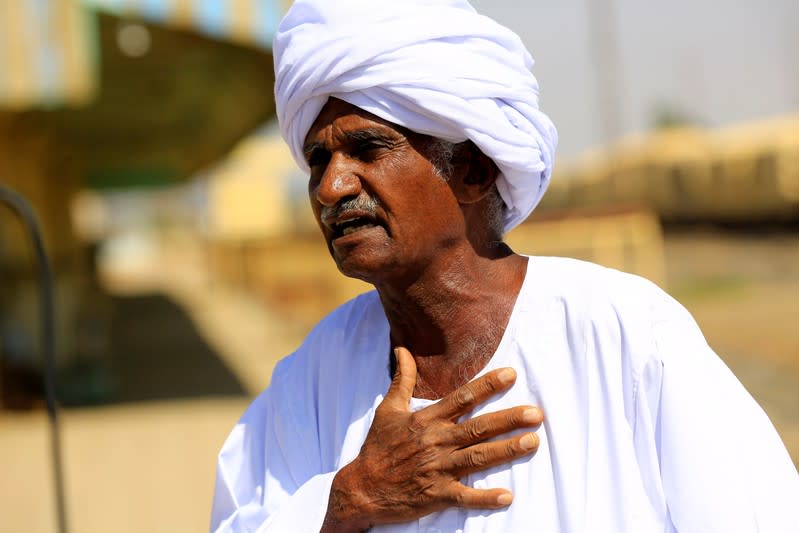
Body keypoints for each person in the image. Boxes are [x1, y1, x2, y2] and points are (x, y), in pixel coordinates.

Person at [211, 1, 799, 531]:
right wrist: (348, 500)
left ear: (473, 170)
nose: (331, 187)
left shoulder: (624, 337)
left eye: (368, 149)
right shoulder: (309, 380)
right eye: (318, 159)